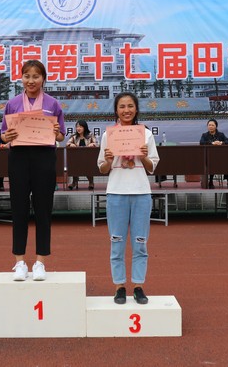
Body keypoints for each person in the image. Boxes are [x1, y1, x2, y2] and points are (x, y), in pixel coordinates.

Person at [0, 60, 65, 282]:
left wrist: (56, 132)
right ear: (21, 78)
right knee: (18, 209)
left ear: (43, 79)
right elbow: (4, 135)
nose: (31, 80)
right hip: (18, 158)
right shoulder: (13, 104)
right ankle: (19, 262)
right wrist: (6, 137)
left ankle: (40, 262)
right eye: (27, 76)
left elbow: (61, 135)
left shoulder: (53, 104)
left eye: (36, 76)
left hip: (44, 158)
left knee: (43, 210)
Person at [97, 92, 159, 305]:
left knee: (140, 242)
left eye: (130, 106)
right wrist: (108, 160)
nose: (126, 110)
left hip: (141, 193)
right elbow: (103, 168)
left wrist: (143, 156)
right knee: (117, 242)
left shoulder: (146, 135)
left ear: (136, 109)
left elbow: (152, 167)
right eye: (122, 106)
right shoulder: (108, 136)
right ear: (116, 110)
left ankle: (138, 286)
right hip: (116, 193)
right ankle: (119, 286)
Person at [200, 118, 228, 189]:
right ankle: (211, 181)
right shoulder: (204, 135)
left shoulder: (221, 135)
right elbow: (201, 143)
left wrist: (221, 143)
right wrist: (212, 143)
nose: (210, 126)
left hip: (221, 157)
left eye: (212, 125)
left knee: (225, 162)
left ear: (216, 126)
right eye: (209, 125)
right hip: (209, 157)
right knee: (212, 162)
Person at [66, 120, 98, 190]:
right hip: (77, 158)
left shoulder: (90, 135)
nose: (78, 128)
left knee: (88, 164)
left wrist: (92, 144)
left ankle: (91, 182)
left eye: (80, 127)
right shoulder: (74, 136)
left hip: (88, 158)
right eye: (77, 127)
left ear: (84, 127)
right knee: (74, 163)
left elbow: (97, 143)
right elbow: (67, 143)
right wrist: (71, 144)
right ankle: (74, 182)